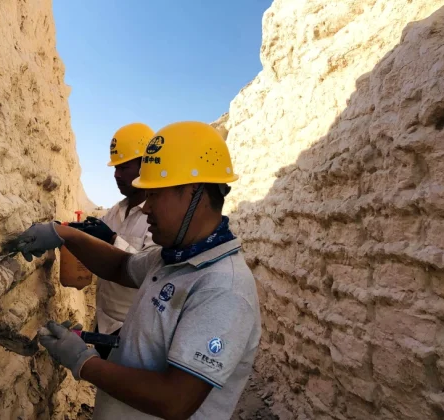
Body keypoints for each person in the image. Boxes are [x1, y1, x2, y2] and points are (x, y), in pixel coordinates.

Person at [17, 121, 261, 419]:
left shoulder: (223, 289)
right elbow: (121, 266)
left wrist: (84, 362)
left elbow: (175, 400)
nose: (146, 207)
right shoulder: (169, 259)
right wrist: (66, 235)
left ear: (194, 193)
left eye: (156, 194)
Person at [68, 122, 157, 360]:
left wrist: (110, 239)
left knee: (125, 391)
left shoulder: (159, 216)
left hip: (135, 328)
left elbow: (151, 269)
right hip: (105, 323)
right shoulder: (116, 212)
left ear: (145, 165)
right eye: (115, 167)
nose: (116, 175)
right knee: (106, 391)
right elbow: (93, 244)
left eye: (124, 167)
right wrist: (67, 233)